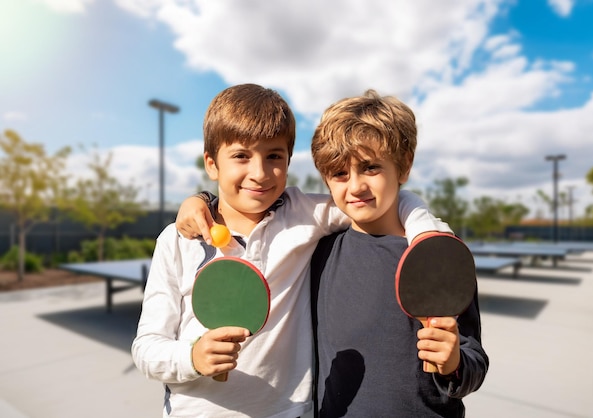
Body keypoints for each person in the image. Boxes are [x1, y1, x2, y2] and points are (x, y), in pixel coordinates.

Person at [134, 83, 451, 417]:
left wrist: (426, 236)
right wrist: (192, 358)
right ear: (212, 164)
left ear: (288, 161)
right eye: (241, 156)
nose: (259, 173)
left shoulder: (303, 214)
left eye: (274, 156)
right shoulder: (176, 240)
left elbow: (381, 196)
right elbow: (146, 348)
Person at [309, 90, 489, 417]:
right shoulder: (319, 255)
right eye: (339, 173)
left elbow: (474, 361)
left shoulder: (437, 256)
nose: (356, 186)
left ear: (403, 167)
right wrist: (205, 200)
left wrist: (454, 363)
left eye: (370, 167)